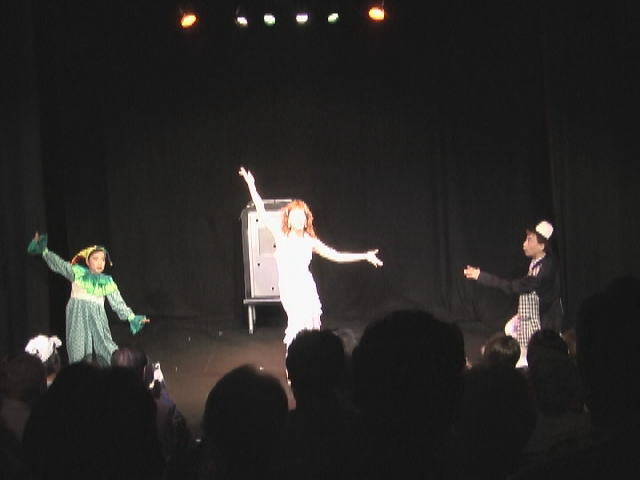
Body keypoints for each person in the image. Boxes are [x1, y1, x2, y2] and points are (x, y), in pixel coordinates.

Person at [239, 167, 383, 349]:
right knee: (297, 325)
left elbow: (337, 256)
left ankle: (310, 358)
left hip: (306, 287)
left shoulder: (310, 241)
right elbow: (261, 210)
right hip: (290, 288)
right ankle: (295, 359)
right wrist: (251, 185)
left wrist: (364, 256)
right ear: (288, 220)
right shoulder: (281, 236)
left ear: (306, 220)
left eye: (302, 217)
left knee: (310, 325)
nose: (298, 220)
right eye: (295, 217)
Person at [27, 232, 150, 366]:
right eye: (95, 259)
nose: (100, 263)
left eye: (103, 259)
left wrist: (132, 317)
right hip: (78, 314)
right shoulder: (77, 272)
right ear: (87, 261)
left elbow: (118, 303)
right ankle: (80, 373)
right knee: (78, 349)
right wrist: (44, 251)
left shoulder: (107, 281)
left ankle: (117, 372)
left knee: (106, 345)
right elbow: (59, 265)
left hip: (97, 316)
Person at [463, 220, 562, 368]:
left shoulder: (540, 275)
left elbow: (509, 287)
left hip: (541, 320)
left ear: (542, 246)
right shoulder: (543, 259)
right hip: (537, 312)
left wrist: (480, 276)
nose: (524, 244)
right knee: (510, 327)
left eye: (529, 240)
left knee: (526, 356)